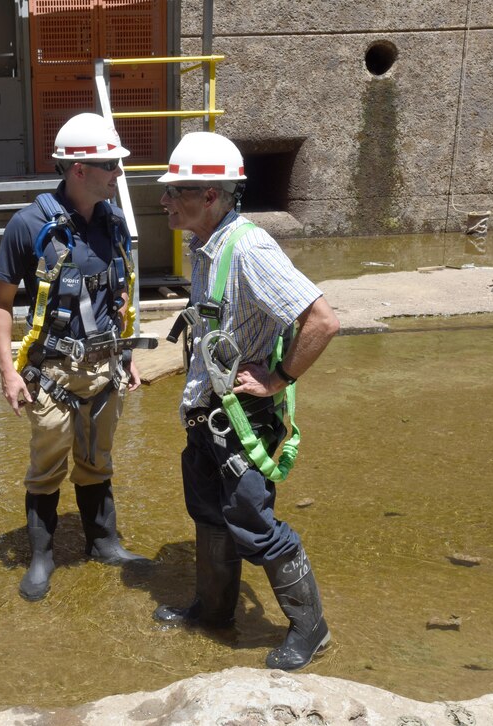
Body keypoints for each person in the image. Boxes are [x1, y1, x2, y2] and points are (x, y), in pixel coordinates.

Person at [152, 131, 340, 671]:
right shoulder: (206, 248)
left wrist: (278, 377)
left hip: (242, 422)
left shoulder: (250, 248)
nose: (164, 200)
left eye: (175, 190)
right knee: (209, 513)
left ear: (211, 195)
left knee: (253, 524)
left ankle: (312, 628)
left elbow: (322, 321)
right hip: (207, 418)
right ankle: (214, 611)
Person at [0, 112, 155, 602]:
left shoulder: (113, 223)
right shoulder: (29, 225)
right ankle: (42, 557)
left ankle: (104, 544)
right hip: (52, 370)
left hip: (105, 366)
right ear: (79, 169)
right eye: (110, 165)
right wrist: (7, 373)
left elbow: (119, 298)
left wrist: (126, 357)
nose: (118, 174)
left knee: (97, 459)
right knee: (48, 461)